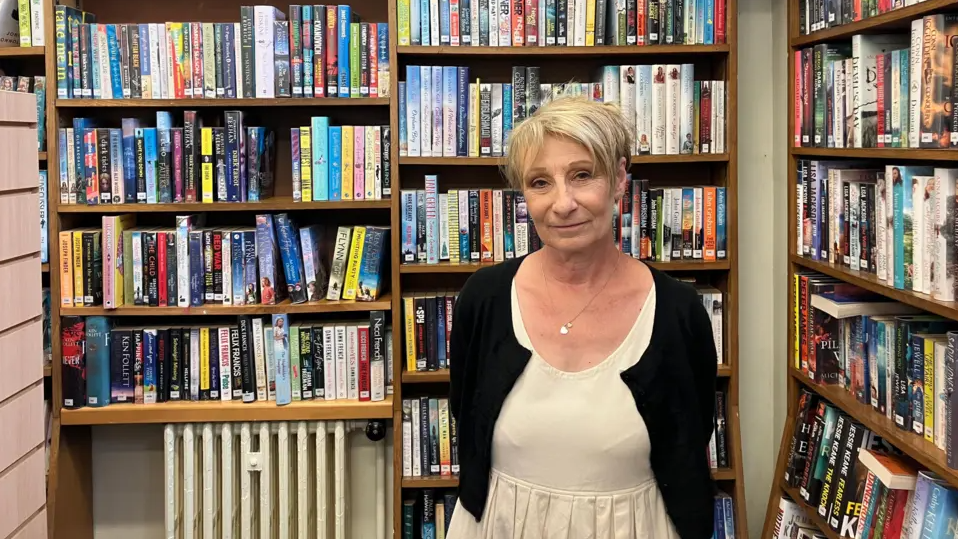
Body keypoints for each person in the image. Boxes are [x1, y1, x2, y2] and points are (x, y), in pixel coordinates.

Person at [447, 97, 718, 538]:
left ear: (619, 180)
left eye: (582, 175)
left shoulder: (678, 313)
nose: (563, 203)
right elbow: (467, 413)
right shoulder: (485, 298)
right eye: (540, 183)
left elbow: (689, 441)